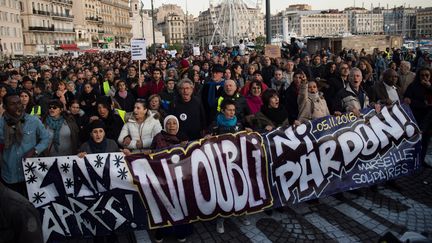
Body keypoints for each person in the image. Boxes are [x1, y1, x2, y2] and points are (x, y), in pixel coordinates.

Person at [0, 93, 50, 196]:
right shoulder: (1, 123)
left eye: (19, 103)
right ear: (5, 107)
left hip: (30, 173)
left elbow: (45, 138)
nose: (18, 106)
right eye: (12, 104)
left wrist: (35, 150)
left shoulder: (33, 120)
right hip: (9, 174)